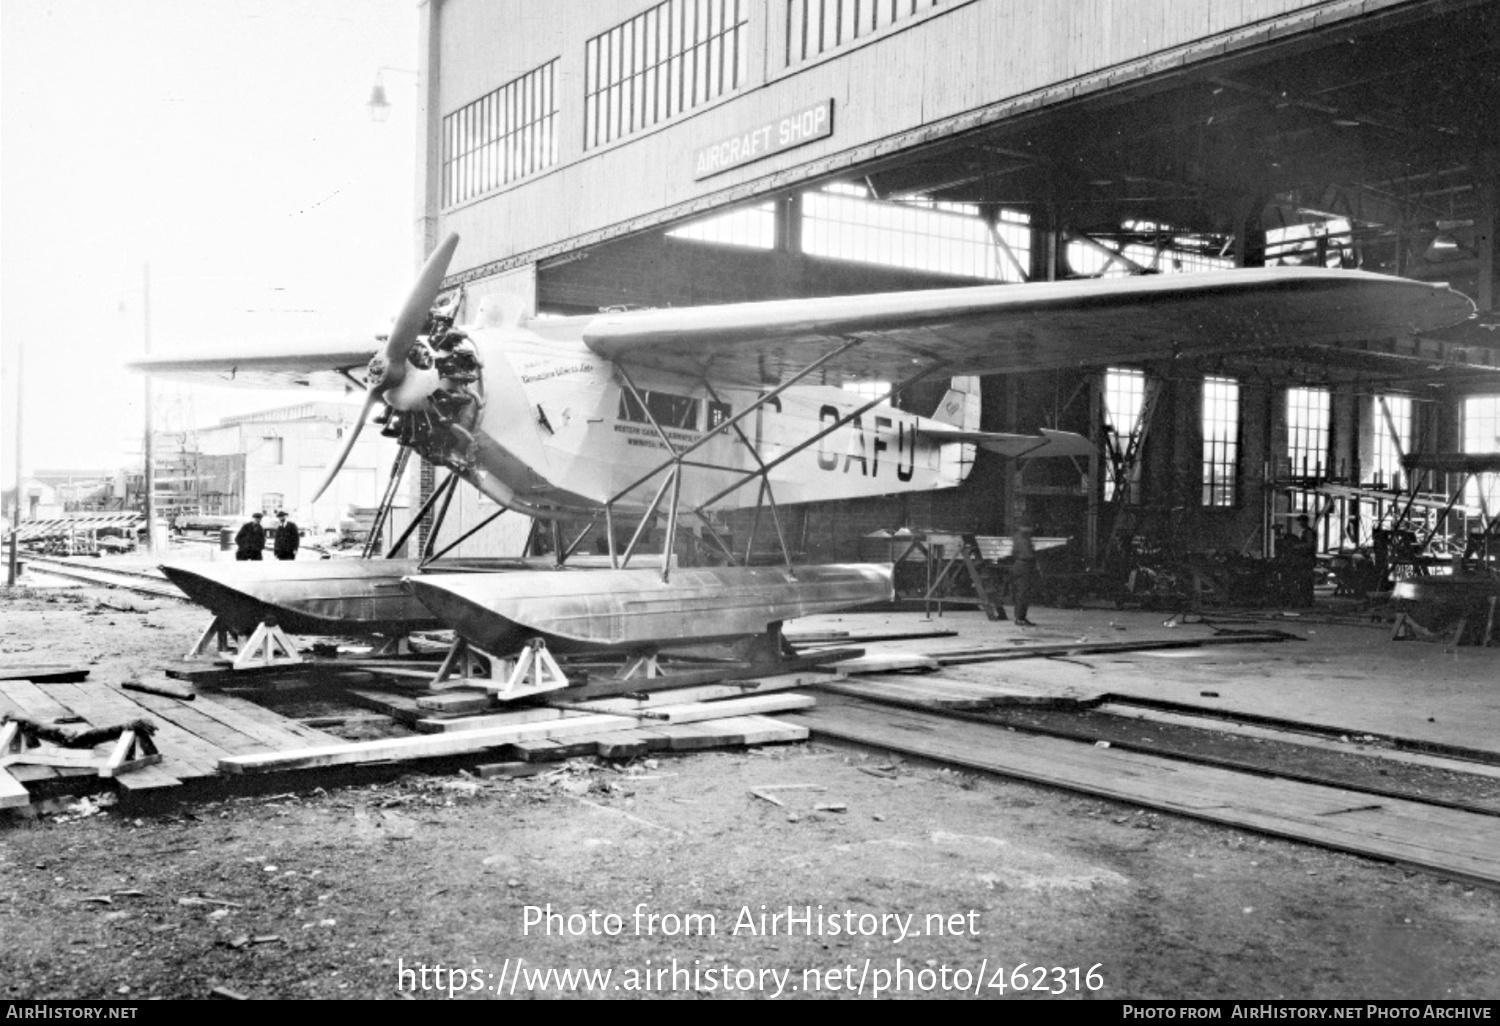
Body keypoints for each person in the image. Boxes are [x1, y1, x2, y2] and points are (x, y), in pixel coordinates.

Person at [1011, 522, 1038, 626]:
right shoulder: (1024, 538)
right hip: (1025, 566)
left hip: (1018, 564)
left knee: (1020, 592)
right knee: (1023, 592)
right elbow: (1028, 553)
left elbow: (1014, 552)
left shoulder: (1016, 536)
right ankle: (1020, 618)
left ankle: (1019, 616)